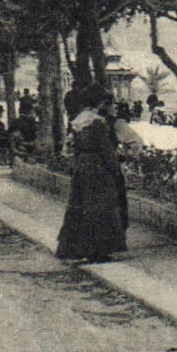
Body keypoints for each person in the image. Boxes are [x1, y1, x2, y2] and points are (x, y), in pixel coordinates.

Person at [55, 87, 128, 264]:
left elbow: (70, 147)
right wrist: (115, 168)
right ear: (100, 103)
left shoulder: (79, 120)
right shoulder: (98, 122)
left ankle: (73, 247)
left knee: (81, 205)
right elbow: (106, 149)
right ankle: (98, 250)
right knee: (101, 207)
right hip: (98, 167)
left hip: (82, 164)